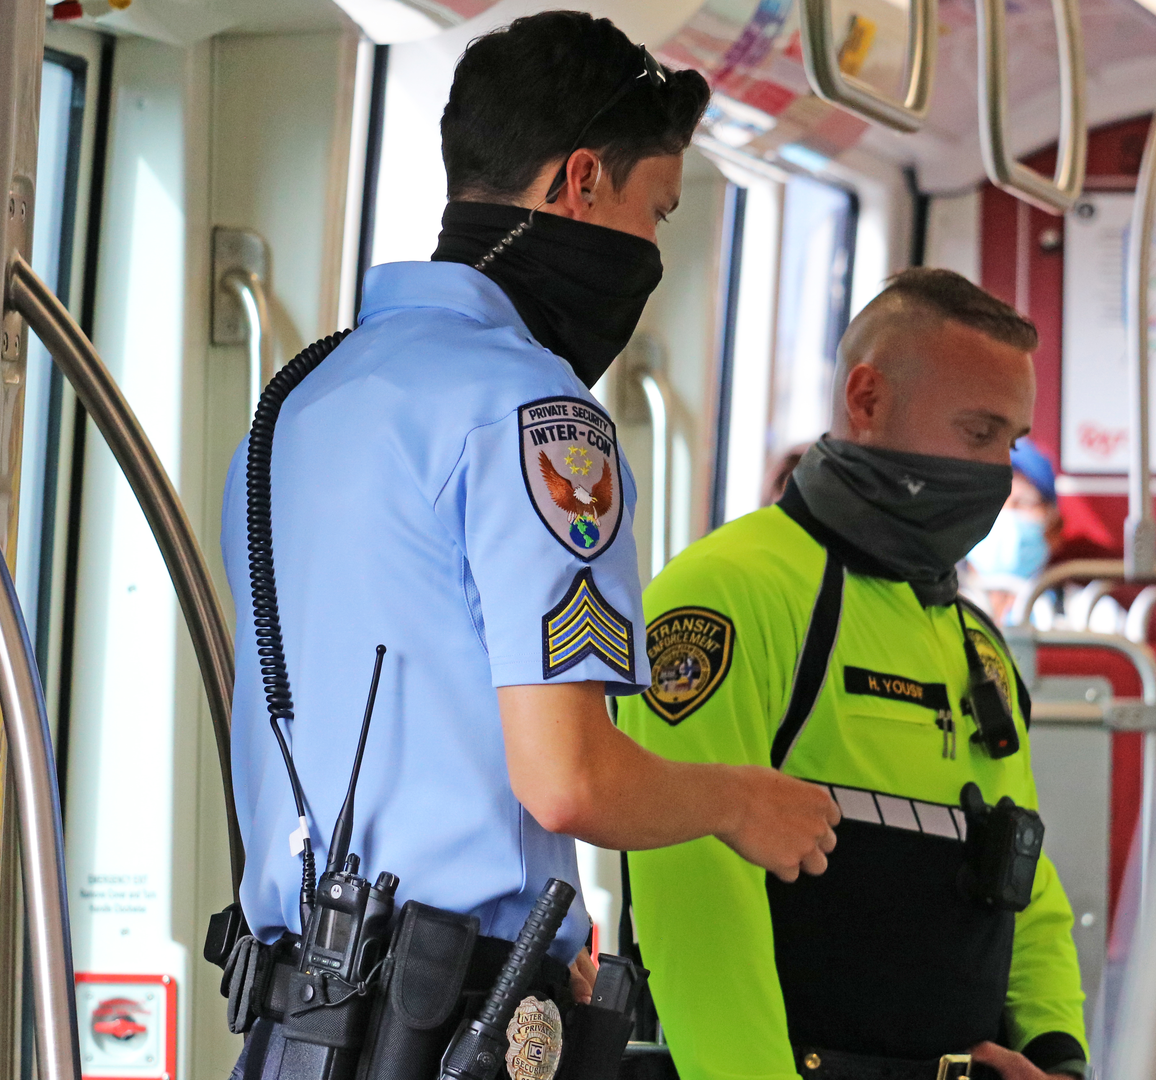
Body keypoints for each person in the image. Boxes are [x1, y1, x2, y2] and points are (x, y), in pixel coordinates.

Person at [217, 12, 839, 1072]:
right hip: (446, 1024)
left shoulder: (301, 398)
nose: (650, 252)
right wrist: (743, 800)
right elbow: (570, 779)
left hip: (293, 1021)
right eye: (657, 210)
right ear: (581, 181)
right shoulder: (538, 418)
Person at [617, 269, 1088, 1080]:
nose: (997, 476)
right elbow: (694, 904)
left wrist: (1056, 1057)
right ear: (866, 402)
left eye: (1010, 444)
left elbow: (1023, 882)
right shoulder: (729, 596)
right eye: (978, 434)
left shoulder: (975, 645)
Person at [963, 440, 1123, 631]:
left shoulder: (1093, 616)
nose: (1005, 514)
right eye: (992, 501)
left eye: (1025, 503)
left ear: (1054, 530)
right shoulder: (937, 610)